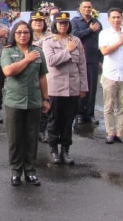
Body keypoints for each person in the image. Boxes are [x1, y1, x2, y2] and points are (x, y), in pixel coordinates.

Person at [1, 21, 49, 187]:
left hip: (34, 101)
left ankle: (30, 171)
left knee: (31, 138)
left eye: (26, 32)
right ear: (14, 34)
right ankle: (15, 171)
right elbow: (8, 71)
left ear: (30, 34)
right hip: (14, 102)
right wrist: (27, 59)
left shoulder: (38, 51)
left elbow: (42, 76)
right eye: (19, 32)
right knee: (15, 139)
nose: (23, 35)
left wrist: (46, 98)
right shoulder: (8, 51)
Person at [42, 12, 87, 164]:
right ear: (55, 24)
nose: (63, 25)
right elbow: (51, 61)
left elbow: (82, 65)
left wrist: (83, 87)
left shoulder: (76, 41)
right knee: (54, 120)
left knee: (68, 121)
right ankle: (54, 149)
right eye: (60, 23)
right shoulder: (48, 41)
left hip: (72, 87)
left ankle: (65, 151)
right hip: (55, 88)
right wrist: (67, 51)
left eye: (66, 23)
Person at [99, 8, 123, 144]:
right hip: (110, 74)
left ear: (122, 18)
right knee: (109, 106)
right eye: (113, 17)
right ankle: (110, 133)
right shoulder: (104, 34)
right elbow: (104, 51)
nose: (116, 20)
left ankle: (120, 133)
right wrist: (120, 42)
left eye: (118, 17)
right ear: (109, 19)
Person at [72, 0, 103, 125]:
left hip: (93, 59)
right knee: (80, 87)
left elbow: (100, 42)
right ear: (80, 8)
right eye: (84, 7)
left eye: (89, 7)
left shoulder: (97, 23)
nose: (87, 9)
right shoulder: (75, 21)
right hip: (78, 59)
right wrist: (90, 30)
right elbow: (74, 35)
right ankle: (79, 114)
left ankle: (90, 114)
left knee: (92, 88)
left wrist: (100, 59)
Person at [29, 11, 52, 143]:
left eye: (40, 20)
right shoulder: (26, 34)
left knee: (45, 99)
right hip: (31, 70)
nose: (38, 22)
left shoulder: (50, 35)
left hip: (46, 71)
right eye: (35, 20)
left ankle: (42, 130)